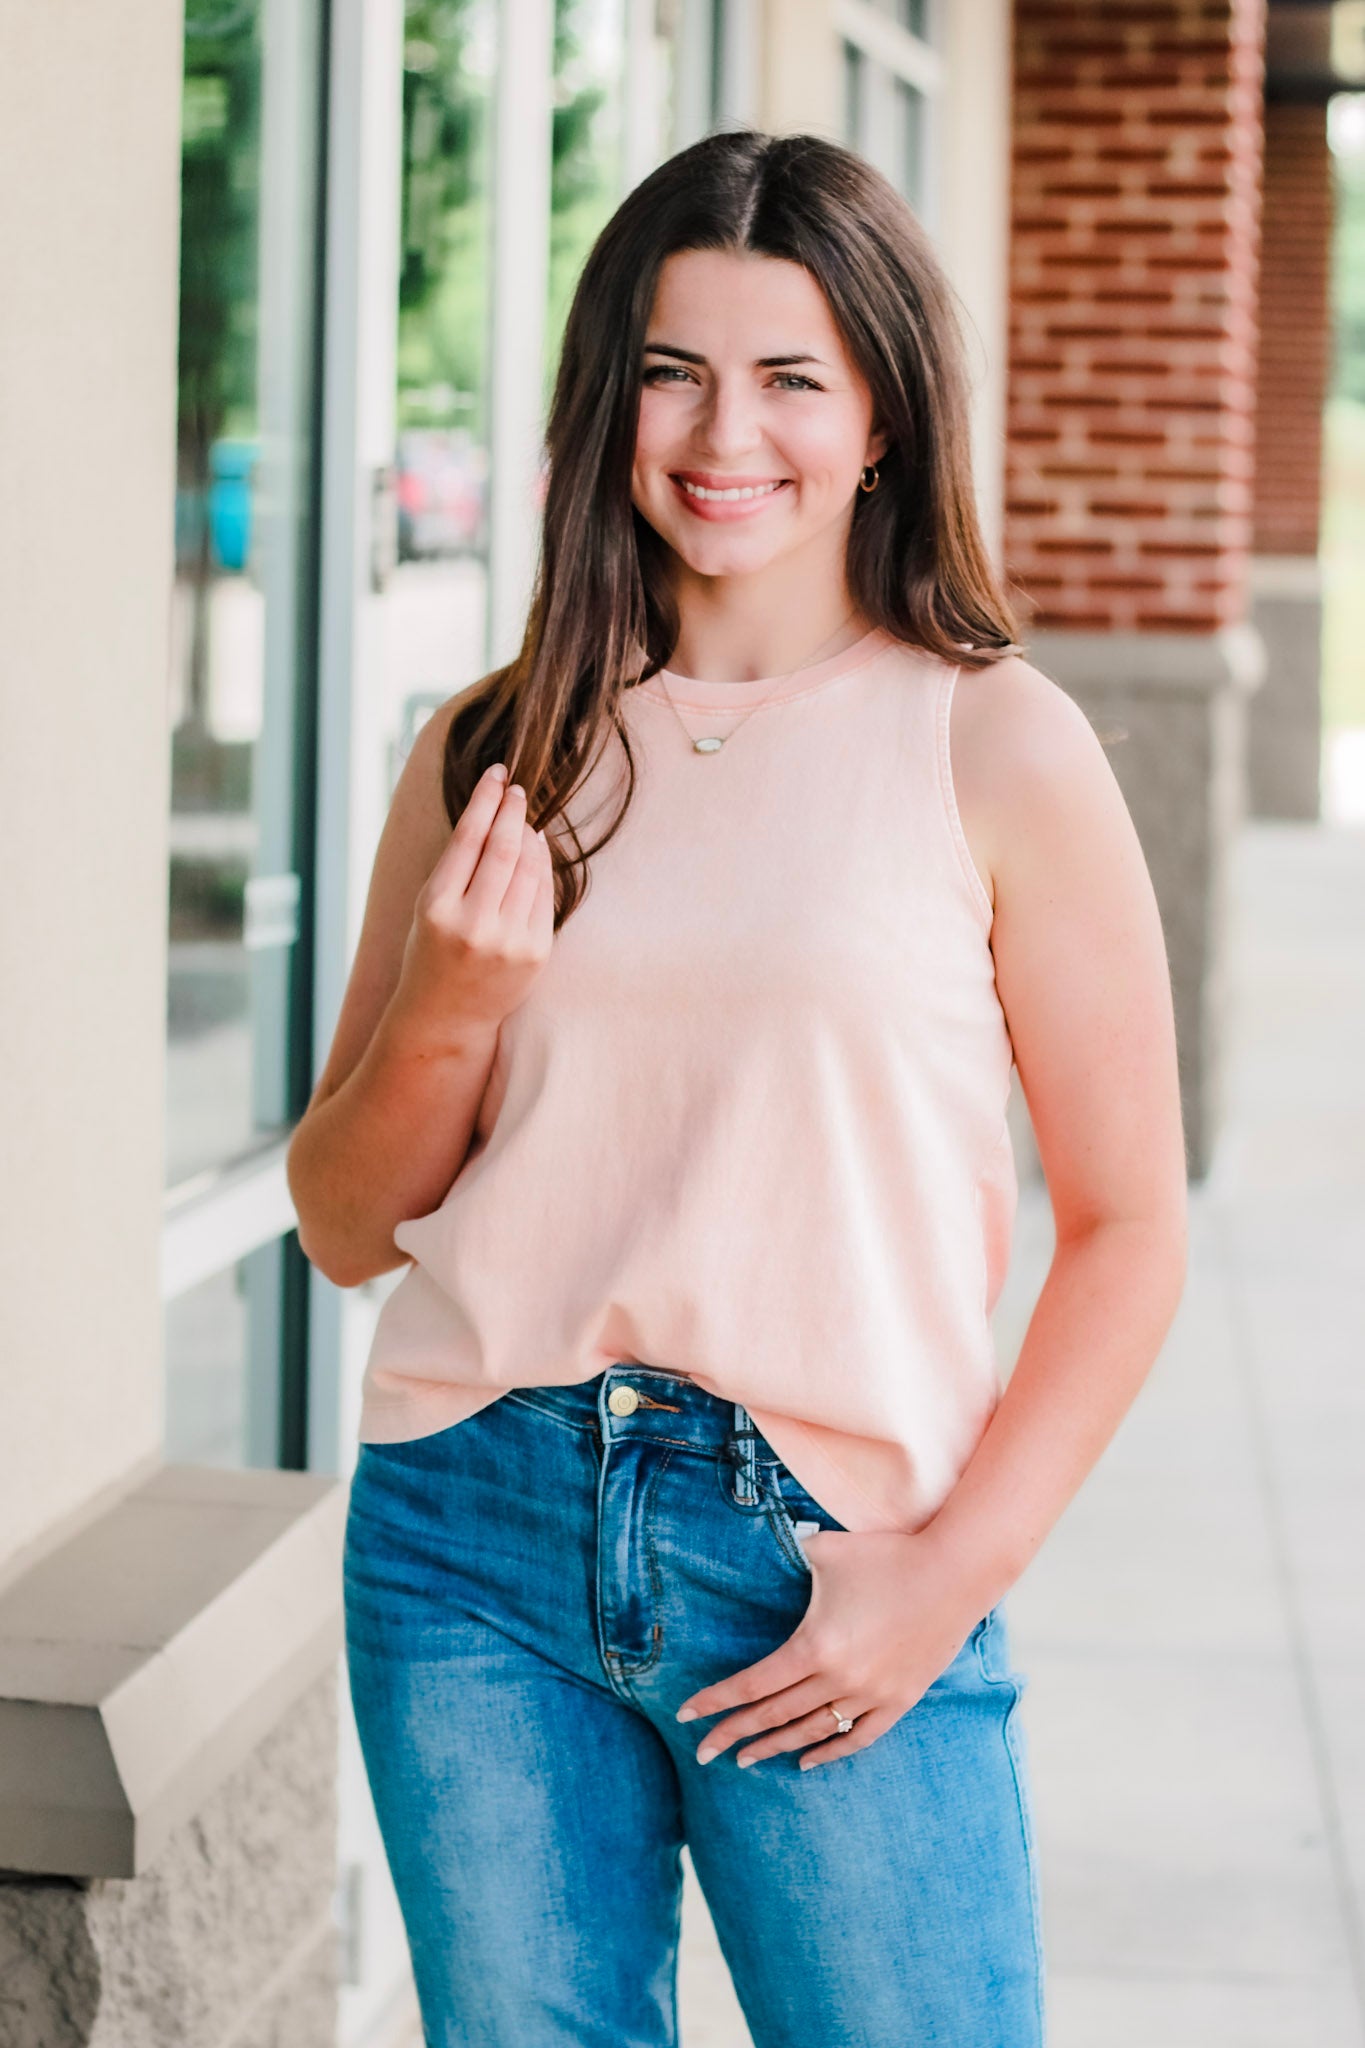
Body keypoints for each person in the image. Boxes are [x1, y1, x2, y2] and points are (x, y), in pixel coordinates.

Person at [287, 127, 1188, 2047]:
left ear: (879, 417)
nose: (724, 434)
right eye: (672, 371)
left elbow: (1128, 1229)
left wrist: (947, 1578)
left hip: (826, 1550)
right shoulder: (493, 749)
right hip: (471, 1531)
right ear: (605, 400)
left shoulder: (994, 743)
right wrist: (453, 1002)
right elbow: (344, 1225)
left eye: (790, 376)